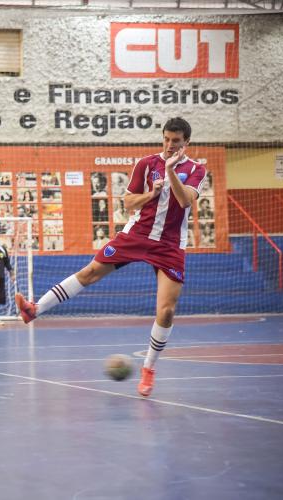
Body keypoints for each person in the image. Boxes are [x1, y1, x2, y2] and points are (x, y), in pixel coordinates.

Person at [15, 117, 206, 398]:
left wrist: (170, 172)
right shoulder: (145, 164)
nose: (169, 145)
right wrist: (149, 194)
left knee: (166, 310)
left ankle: (149, 369)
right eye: (166, 139)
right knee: (90, 272)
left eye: (175, 141)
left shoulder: (195, 169)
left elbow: (185, 200)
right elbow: (128, 203)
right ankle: (34, 309)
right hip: (137, 234)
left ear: (186, 142)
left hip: (169, 244)